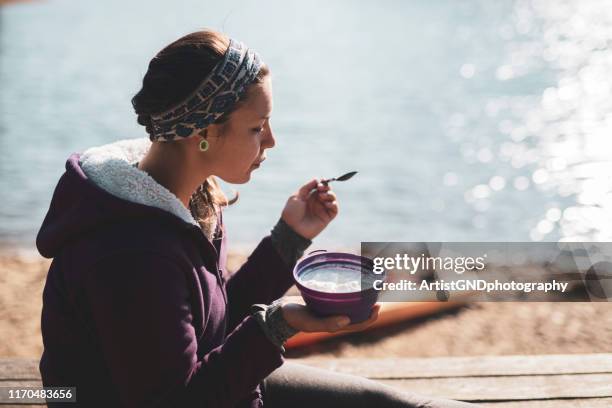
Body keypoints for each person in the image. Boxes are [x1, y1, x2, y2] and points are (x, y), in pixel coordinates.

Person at [36, 29, 478, 407]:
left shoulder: (192, 197)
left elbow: (213, 320)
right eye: (256, 127)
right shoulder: (130, 253)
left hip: (215, 383)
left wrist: (289, 239)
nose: (272, 140)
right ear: (205, 131)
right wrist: (279, 325)